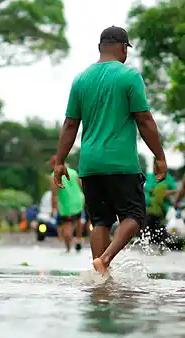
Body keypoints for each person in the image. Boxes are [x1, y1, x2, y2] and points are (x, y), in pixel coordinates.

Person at [53, 25, 168, 276]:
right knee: (134, 216)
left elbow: (70, 123)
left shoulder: (81, 79)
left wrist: (60, 161)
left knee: (100, 221)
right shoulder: (129, 76)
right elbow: (144, 119)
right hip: (121, 163)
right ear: (123, 47)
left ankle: (99, 275)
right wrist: (159, 156)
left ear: (100, 47)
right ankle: (105, 259)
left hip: (90, 165)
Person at [50, 156, 86, 252]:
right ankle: (78, 239)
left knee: (67, 226)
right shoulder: (73, 172)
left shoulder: (54, 175)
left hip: (65, 205)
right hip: (78, 201)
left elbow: (54, 195)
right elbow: (82, 185)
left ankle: (68, 248)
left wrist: (53, 208)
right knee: (79, 220)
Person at [143, 170, 177, 247]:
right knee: (147, 225)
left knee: (160, 225)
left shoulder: (167, 177)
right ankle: (146, 245)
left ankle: (161, 245)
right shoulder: (150, 176)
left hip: (162, 207)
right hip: (149, 206)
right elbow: (145, 187)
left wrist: (167, 192)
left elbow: (175, 189)